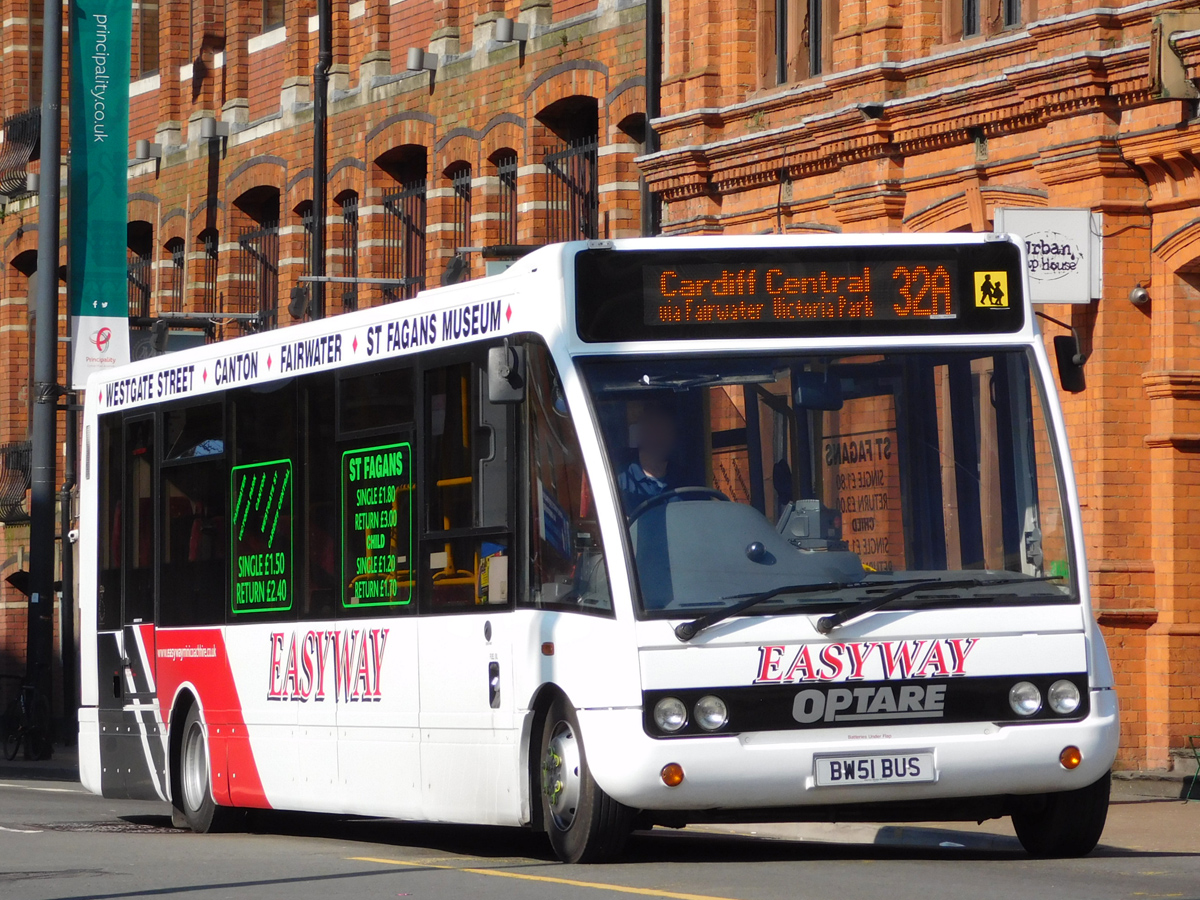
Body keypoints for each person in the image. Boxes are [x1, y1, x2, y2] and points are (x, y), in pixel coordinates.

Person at [619, 399, 678, 512]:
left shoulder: (686, 481)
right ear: (641, 434)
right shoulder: (621, 482)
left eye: (667, 430)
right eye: (655, 430)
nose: (661, 437)